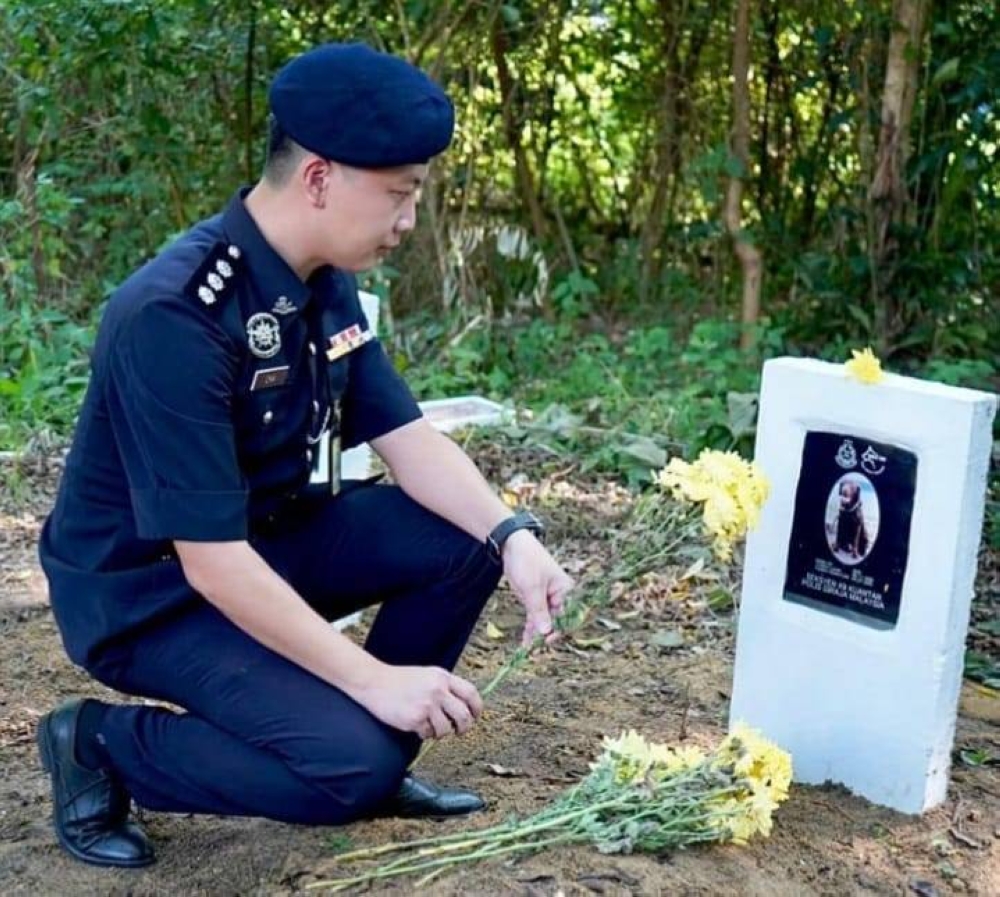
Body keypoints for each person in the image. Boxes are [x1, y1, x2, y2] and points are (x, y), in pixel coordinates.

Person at [35, 42, 573, 869]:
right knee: (346, 771)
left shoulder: (322, 278)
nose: (408, 221)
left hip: (270, 547)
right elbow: (210, 564)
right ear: (319, 178)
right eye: (399, 195)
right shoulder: (174, 313)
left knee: (463, 544)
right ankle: (99, 744)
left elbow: (409, 439)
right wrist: (372, 677)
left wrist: (513, 536)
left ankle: (371, 740)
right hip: (155, 594)